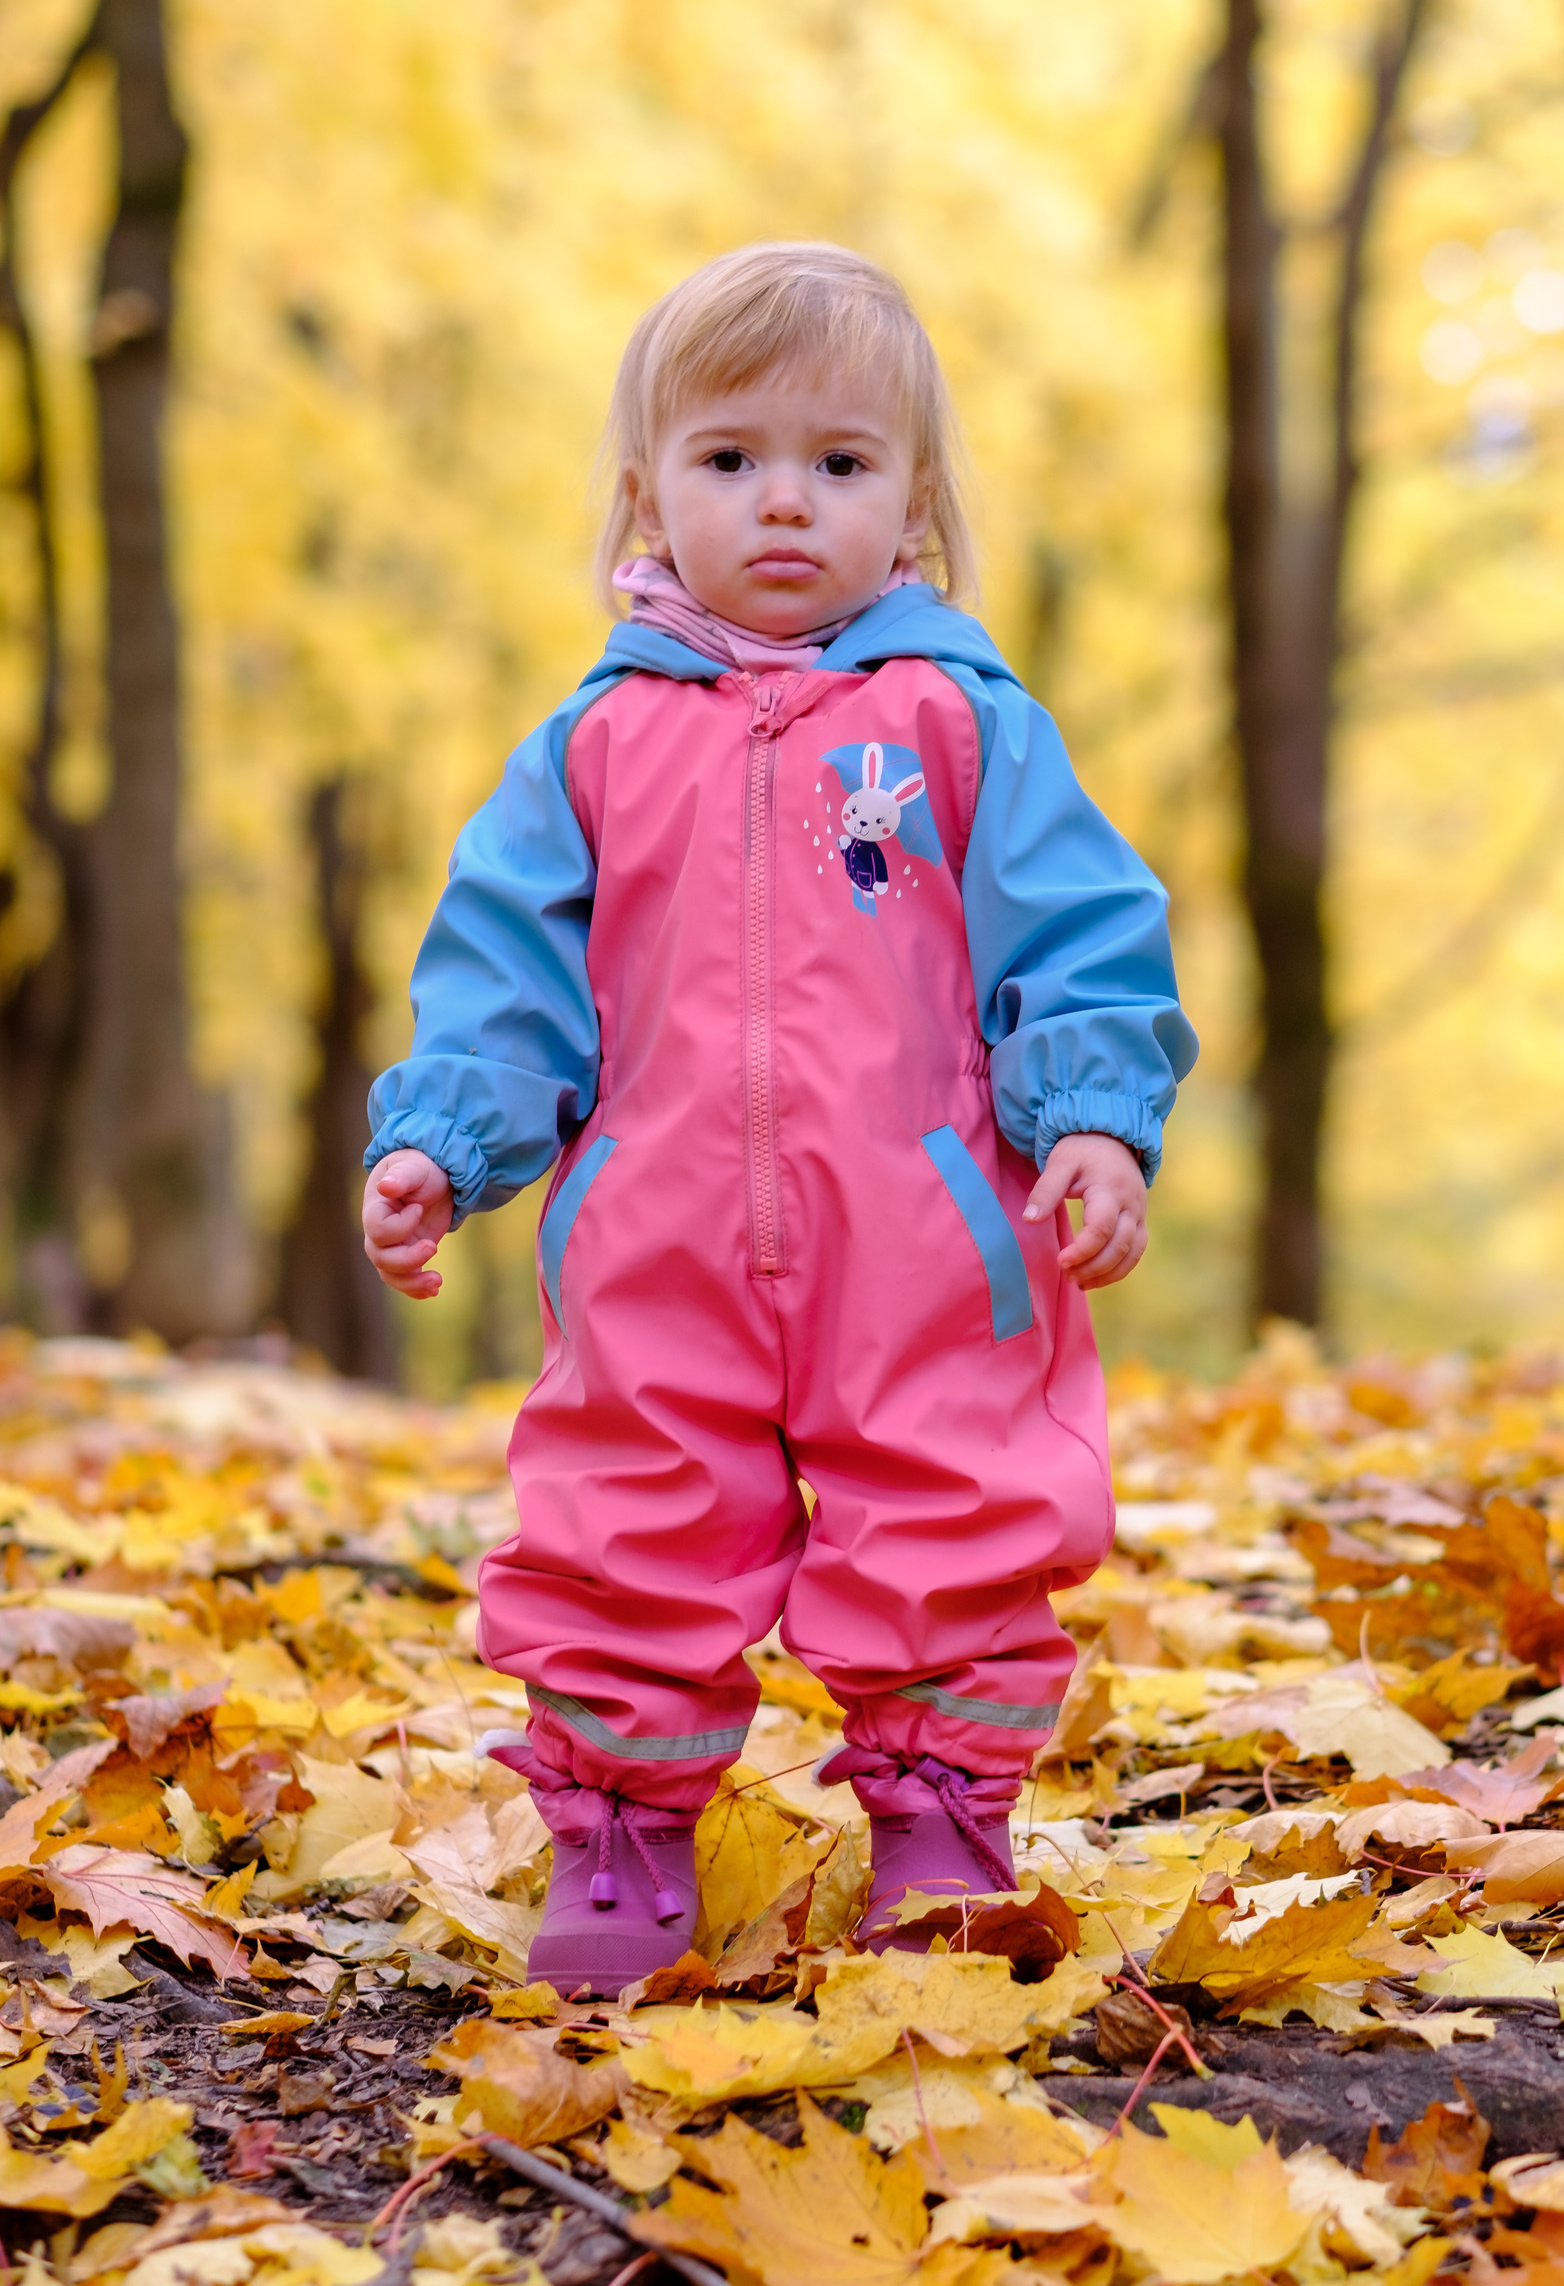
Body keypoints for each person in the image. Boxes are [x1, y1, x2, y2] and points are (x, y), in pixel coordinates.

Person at [361, 242, 1197, 1996]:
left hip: (926, 1224)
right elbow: (508, 963)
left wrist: (1092, 1124)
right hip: (659, 1225)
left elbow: (1078, 934)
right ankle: (616, 1823)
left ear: (913, 509)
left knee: (952, 1506)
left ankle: (942, 1816)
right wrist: (447, 1136)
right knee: (626, 1508)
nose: (785, 503)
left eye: (840, 462)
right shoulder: (592, 746)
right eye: (730, 460)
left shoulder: (959, 723)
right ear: (649, 497)